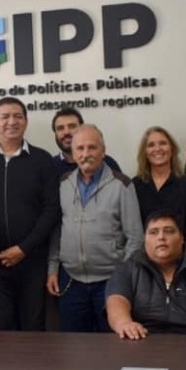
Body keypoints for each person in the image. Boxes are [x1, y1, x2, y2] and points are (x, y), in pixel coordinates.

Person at [0, 97, 59, 331]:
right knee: (1, 328)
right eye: (5, 117)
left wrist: (23, 248)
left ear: (26, 121)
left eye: (18, 116)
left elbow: (51, 209)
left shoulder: (42, 160)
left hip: (32, 259)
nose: (12, 122)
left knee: (34, 325)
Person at [47, 124, 143, 332]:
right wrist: (53, 268)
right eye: (80, 148)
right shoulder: (64, 184)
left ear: (103, 150)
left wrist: (122, 274)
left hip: (110, 281)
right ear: (73, 154)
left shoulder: (122, 185)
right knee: (73, 344)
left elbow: (135, 238)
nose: (86, 154)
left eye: (92, 147)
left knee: (112, 343)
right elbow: (58, 229)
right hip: (71, 280)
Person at [105, 210, 186, 339]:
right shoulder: (128, 269)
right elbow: (116, 300)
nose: (161, 237)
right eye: (153, 232)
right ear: (145, 239)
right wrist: (124, 323)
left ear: (181, 238)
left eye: (169, 231)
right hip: (142, 340)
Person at [132, 125, 186, 244]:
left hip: (181, 249)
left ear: (172, 149)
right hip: (146, 250)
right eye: (151, 145)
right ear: (145, 153)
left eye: (163, 143)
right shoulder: (135, 185)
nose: (158, 149)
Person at [50, 107, 121, 175]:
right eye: (60, 128)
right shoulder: (49, 166)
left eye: (72, 126)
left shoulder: (107, 163)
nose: (66, 132)